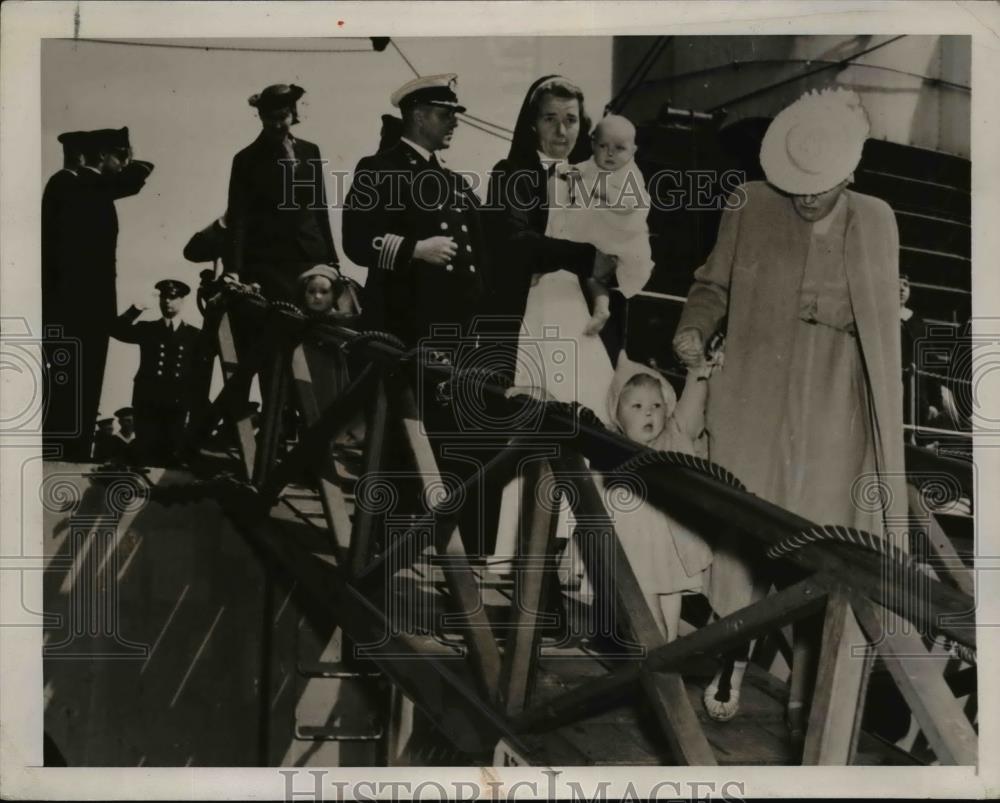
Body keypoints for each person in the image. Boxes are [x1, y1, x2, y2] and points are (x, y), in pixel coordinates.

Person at [672, 88, 906, 726]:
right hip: (757, 398)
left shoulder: (876, 218)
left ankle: (811, 688)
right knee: (743, 530)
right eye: (796, 184)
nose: (806, 197)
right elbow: (710, 284)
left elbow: (883, 328)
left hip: (834, 409)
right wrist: (695, 326)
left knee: (820, 544)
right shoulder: (749, 203)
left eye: (821, 187)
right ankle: (731, 650)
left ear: (849, 173)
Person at [343, 73, 487, 347]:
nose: (455, 122)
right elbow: (357, 241)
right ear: (419, 117)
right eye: (446, 115)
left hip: (459, 326)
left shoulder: (454, 181)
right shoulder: (379, 169)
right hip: (407, 325)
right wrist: (415, 249)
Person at [42, 127, 155, 461]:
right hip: (72, 307)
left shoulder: (88, 188)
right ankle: (61, 452)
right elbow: (130, 180)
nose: (122, 164)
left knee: (83, 382)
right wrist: (138, 166)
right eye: (119, 156)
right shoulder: (72, 183)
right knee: (69, 383)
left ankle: (71, 451)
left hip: (86, 308)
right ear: (101, 156)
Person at [604, 357, 715, 641]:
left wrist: (697, 376)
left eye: (656, 406)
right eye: (637, 407)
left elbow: (690, 410)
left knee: (671, 587)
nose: (649, 414)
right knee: (646, 593)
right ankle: (658, 647)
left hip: (666, 539)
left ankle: (668, 643)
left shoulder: (672, 436)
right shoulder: (612, 444)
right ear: (617, 413)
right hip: (634, 542)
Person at [226, 83, 338, 302]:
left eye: (283, 116)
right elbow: (238, 218)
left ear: (293, 114)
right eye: (270, 118)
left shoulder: (310, 151)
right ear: (260, 117)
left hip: (311, 258)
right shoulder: (245, 160)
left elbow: (320, 206)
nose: (277, 124)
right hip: (269, 265)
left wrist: (332, 258)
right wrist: (233, 269)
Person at [547, 114, 654, 337]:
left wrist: (596, 188)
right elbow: (573, 182)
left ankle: (603, 306)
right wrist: (565, 173)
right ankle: (601, 308)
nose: (610, 153)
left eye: (619, 148)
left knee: (599, 270)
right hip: (595, 238)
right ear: (593, 144)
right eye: (603, 145)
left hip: (621, 239)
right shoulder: (589, 167)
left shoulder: (631, 174)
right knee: (591, 273)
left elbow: (628, 204)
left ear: (633, 151)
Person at [110, 280, 203, 466]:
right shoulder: (148, 329)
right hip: (147, 399)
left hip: (176, 402)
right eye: (164, 297)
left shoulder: (194, 335)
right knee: (145, 448)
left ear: (182, 300)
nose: (167, 301)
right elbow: (116, 330)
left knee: (170, 450)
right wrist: (136, 308)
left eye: (173, 297)